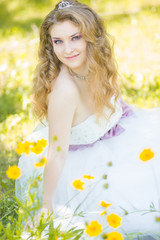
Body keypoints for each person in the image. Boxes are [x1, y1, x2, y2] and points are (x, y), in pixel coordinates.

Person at [16, 0, 160, 239]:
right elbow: (57, 152)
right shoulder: (64, 92)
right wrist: (46, 204)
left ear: (92, 38)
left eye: (75, 38)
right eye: (58, 41)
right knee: (137, 191)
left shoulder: (95, 64)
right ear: (50, 45)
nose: (68, 49)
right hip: (84, 161)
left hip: (119, 133)